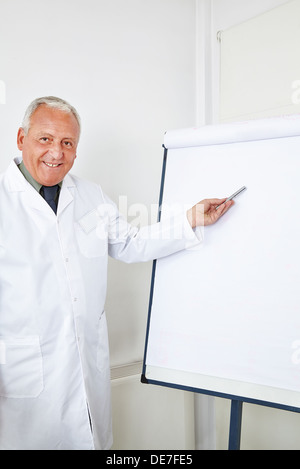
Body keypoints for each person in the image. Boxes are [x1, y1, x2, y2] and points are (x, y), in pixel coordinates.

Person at [0, 96, 233, 450]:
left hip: (85, 370)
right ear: (21, 139)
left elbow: (131, 243)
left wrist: (190, 219)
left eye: (67, 143)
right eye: (45, 139)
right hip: (21, 377)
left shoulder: (90, 195)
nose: (56, 153)